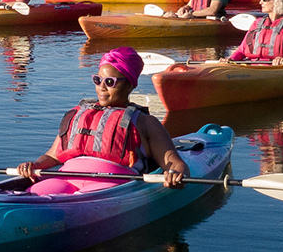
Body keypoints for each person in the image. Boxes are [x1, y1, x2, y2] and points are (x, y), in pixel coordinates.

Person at [16, 47, 188, 194]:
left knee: (75, 203)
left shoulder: (145, 123)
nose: (101, 87)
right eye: (98, 80)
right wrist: (34, 164)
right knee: (30, 195)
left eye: (110, 82)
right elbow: (52, 156)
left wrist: (175, 174)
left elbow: (176, 164)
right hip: (66, 178)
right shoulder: (79, 114)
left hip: (112, 186)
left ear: (130, 85)